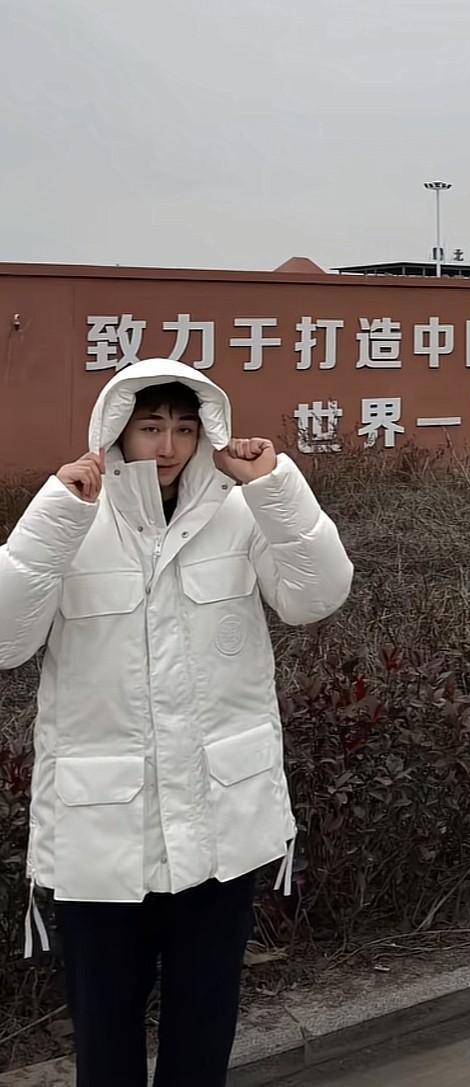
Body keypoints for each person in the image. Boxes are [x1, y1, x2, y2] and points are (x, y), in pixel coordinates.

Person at [0, 358, 353, 1087]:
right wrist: (54, 516)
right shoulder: (73, 519)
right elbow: (6, 641)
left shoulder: (239, 513)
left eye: (185, 429)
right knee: (105, 1037)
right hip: (102, 836)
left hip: (219, 826)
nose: (167, 446)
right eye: (151, 427)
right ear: (116, 433)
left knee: (204, 1026)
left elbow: (316, 595)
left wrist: (276, 487)